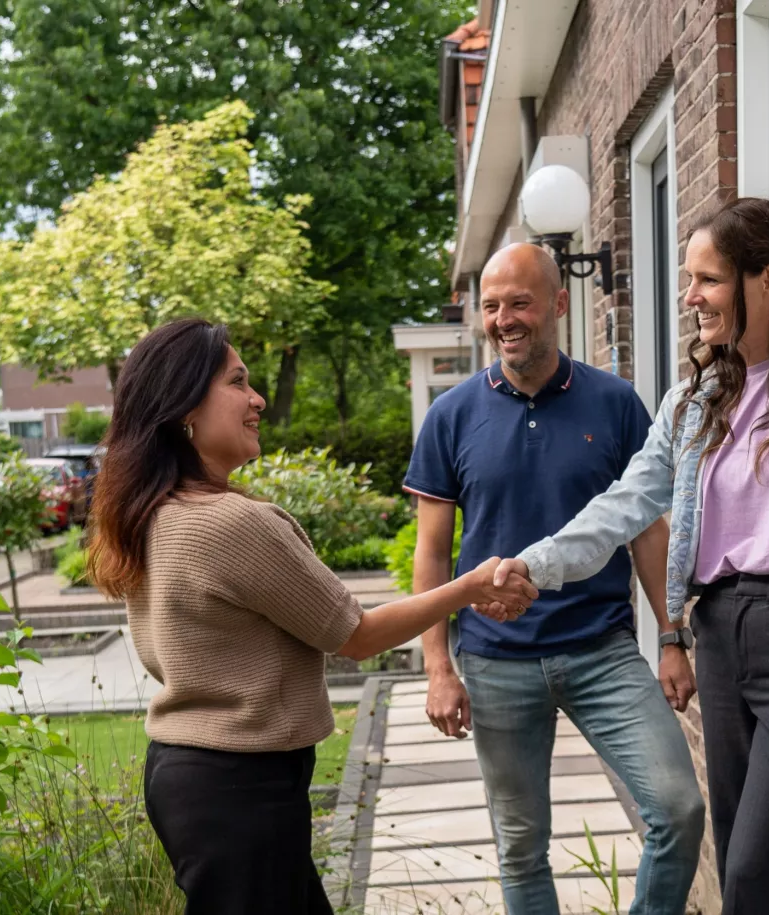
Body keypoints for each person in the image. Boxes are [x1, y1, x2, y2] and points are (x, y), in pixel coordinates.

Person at [491, 198, 769, 915]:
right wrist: (536, 564)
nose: (691, 296)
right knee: (745, 867)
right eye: (690, 279)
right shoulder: (695, 399)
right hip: (722, 635)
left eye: (709, 279)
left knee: (759, 870)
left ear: (767, 279)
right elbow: (625, 503)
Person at [86, 318, 537, 915]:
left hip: (193, 778)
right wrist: (471, 585)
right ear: (184, 408)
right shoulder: (231, 523)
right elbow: (356, 635)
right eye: (237, 382)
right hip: (240, 788)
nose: (257, 399)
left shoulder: (152, 513)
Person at [404, 244, 706, 915]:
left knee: (678, 808)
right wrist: (438, 667)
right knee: (521, 848)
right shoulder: (451, 415)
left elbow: (646, 528)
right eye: (491, 306)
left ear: (559, 304)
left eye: (520, 302)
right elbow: (432, 554)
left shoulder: (615, 403)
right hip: (495, 660)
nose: (504, 319)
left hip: (601, 650)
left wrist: (672, 636)